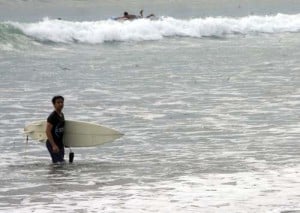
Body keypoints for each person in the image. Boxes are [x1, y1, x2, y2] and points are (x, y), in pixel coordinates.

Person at [45, 95, 65, 164]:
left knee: (60, 163)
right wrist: (53, 145)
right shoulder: (52, 116)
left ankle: (54, 174)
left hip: (60, 144)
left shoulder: (62, 115)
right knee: (58, 163)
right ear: (54, 104)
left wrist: (65, 142)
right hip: (52, 143)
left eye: (62, 102)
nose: (60, 104)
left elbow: (61, 129)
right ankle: (53, 174)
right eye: (58, 102)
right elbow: (47, 131)